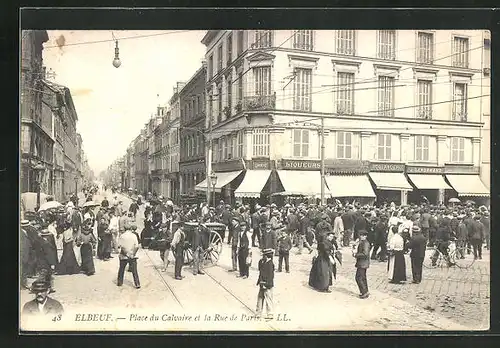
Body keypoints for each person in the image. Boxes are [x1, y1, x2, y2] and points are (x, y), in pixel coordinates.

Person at [117, 224, 141, 289]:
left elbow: (119, 246)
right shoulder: (134, 235)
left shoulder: (122, 236)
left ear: (124, 229)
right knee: (134, 270)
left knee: (121, 269)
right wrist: (132, 254)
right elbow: (137, 246)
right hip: (133, 255)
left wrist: (126, 253)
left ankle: (120, 282)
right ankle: (137, 283)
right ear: (130, 229)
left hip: (124, 255)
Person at [256, 248, 275, 320]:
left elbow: (271, 276)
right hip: (262, 283)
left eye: (264, 255)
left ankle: (270, 314)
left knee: (268, 299)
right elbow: (260, 270)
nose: (262, 257)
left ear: (267, 256)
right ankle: (258, 313)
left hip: (267, 285)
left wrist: (266, 284)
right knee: (260, 298)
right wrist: (260, 282)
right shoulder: (263, 262)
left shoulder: (270, 264)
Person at [354, 230, 370, 299]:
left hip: (362, 263)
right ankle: (365, 291)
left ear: (365, 236)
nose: (361, 237)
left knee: (359, 278)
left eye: (363, 235)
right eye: (360, 235)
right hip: (363, 263)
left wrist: (356, 254)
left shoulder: (365, 243)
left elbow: (365, 254)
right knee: (362, 277)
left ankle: (364, 292)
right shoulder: (363, 242)